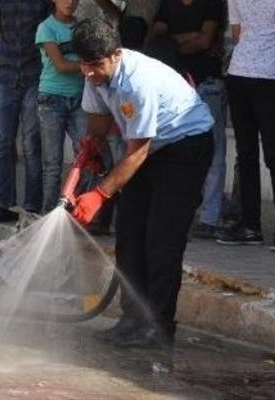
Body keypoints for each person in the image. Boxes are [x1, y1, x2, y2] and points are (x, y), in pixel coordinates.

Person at [70, 19, 214, 350]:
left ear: (115, 54)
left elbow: (138, 152)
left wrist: (99, 195)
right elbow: (99, 121)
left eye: (95, 65)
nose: (89, 72)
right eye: (84, 65)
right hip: (148, 148)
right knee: (130, 235)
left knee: (162, 241)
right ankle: (132, 318)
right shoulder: (94, 75)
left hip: (184, 146)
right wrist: (91, 146)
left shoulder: (138, 81)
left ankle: (159, 326)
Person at [215, 0, 275, 252]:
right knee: (246, 154)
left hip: (270, 78)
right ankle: (251, 226)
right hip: (239, 75)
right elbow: (237, 33)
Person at [148, 0, 226, 239]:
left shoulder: (210, 5)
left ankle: (210, 217)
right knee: (173, 150)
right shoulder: (167, 4)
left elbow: (204, 41)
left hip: (207, 83)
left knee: (214, 152)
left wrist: (173, 42)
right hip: (178, 86)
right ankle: (180, 210)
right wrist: (189, 38)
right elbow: (156, 38)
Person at [0, 0, 50, 224]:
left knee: (31, 145)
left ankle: (31, 206)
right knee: (1, 145)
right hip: (5, 74)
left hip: (34, 75)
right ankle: (5, 205)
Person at [37, 0, 87, 213]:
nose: (70, 2)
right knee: (52, 164)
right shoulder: (46, 28)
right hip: (52, 99)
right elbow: (61, 65)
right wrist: (89, 66)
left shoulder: (82, 27)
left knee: (86, 156)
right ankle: (48, 214)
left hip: (80, 99)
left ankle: (77, 210)